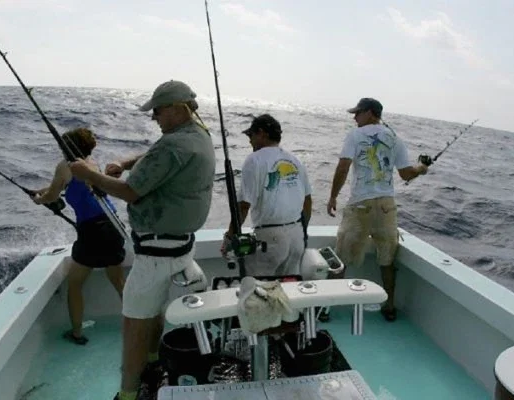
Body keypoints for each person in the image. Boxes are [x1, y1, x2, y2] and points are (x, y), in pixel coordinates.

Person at [67, 80, 215, 400]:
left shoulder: (173, 145)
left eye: (157, 111)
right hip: (180, 246)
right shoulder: (198, 134)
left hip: (156, 253)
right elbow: (155, 156)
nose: (154, 117)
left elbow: (130, 192)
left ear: (177, 108)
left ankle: (128, 394)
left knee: (134, 323)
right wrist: (124, 163)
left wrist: (88, 175)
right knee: (154, 308)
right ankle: (153, 362)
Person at [326, 97, 430, 322]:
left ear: (371, 113)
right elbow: (406, 174)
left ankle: (326, 308)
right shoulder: (394, 138)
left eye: (358, 113)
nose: (354, 117)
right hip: (386, 207)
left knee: (341, 257)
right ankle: (389, 306)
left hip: (360, 206)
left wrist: (333, 196)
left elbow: (343, 167)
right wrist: (421, 168)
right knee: (387, 259)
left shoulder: (355, 135)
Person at [32, 127, 126, 345]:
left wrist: (39, 199)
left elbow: (53, 195)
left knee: (74, 284)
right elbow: (66, 185)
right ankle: (137, 326)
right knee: (119, 282)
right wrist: (44, 189)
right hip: (112, 225)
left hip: (92, 233)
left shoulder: (64, 166)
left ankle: (76, 333)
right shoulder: (90, 164)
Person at [222, 114, 312, 277]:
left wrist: (229, 238)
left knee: (259, 286)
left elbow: (243, 206)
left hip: (271, 240)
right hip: (297, 238)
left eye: (251, 135)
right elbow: (307, 201)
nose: (250, 141)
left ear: (262, 133)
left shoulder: (254, 160)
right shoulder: (296, 160)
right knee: (289, 285)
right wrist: (303, 232)